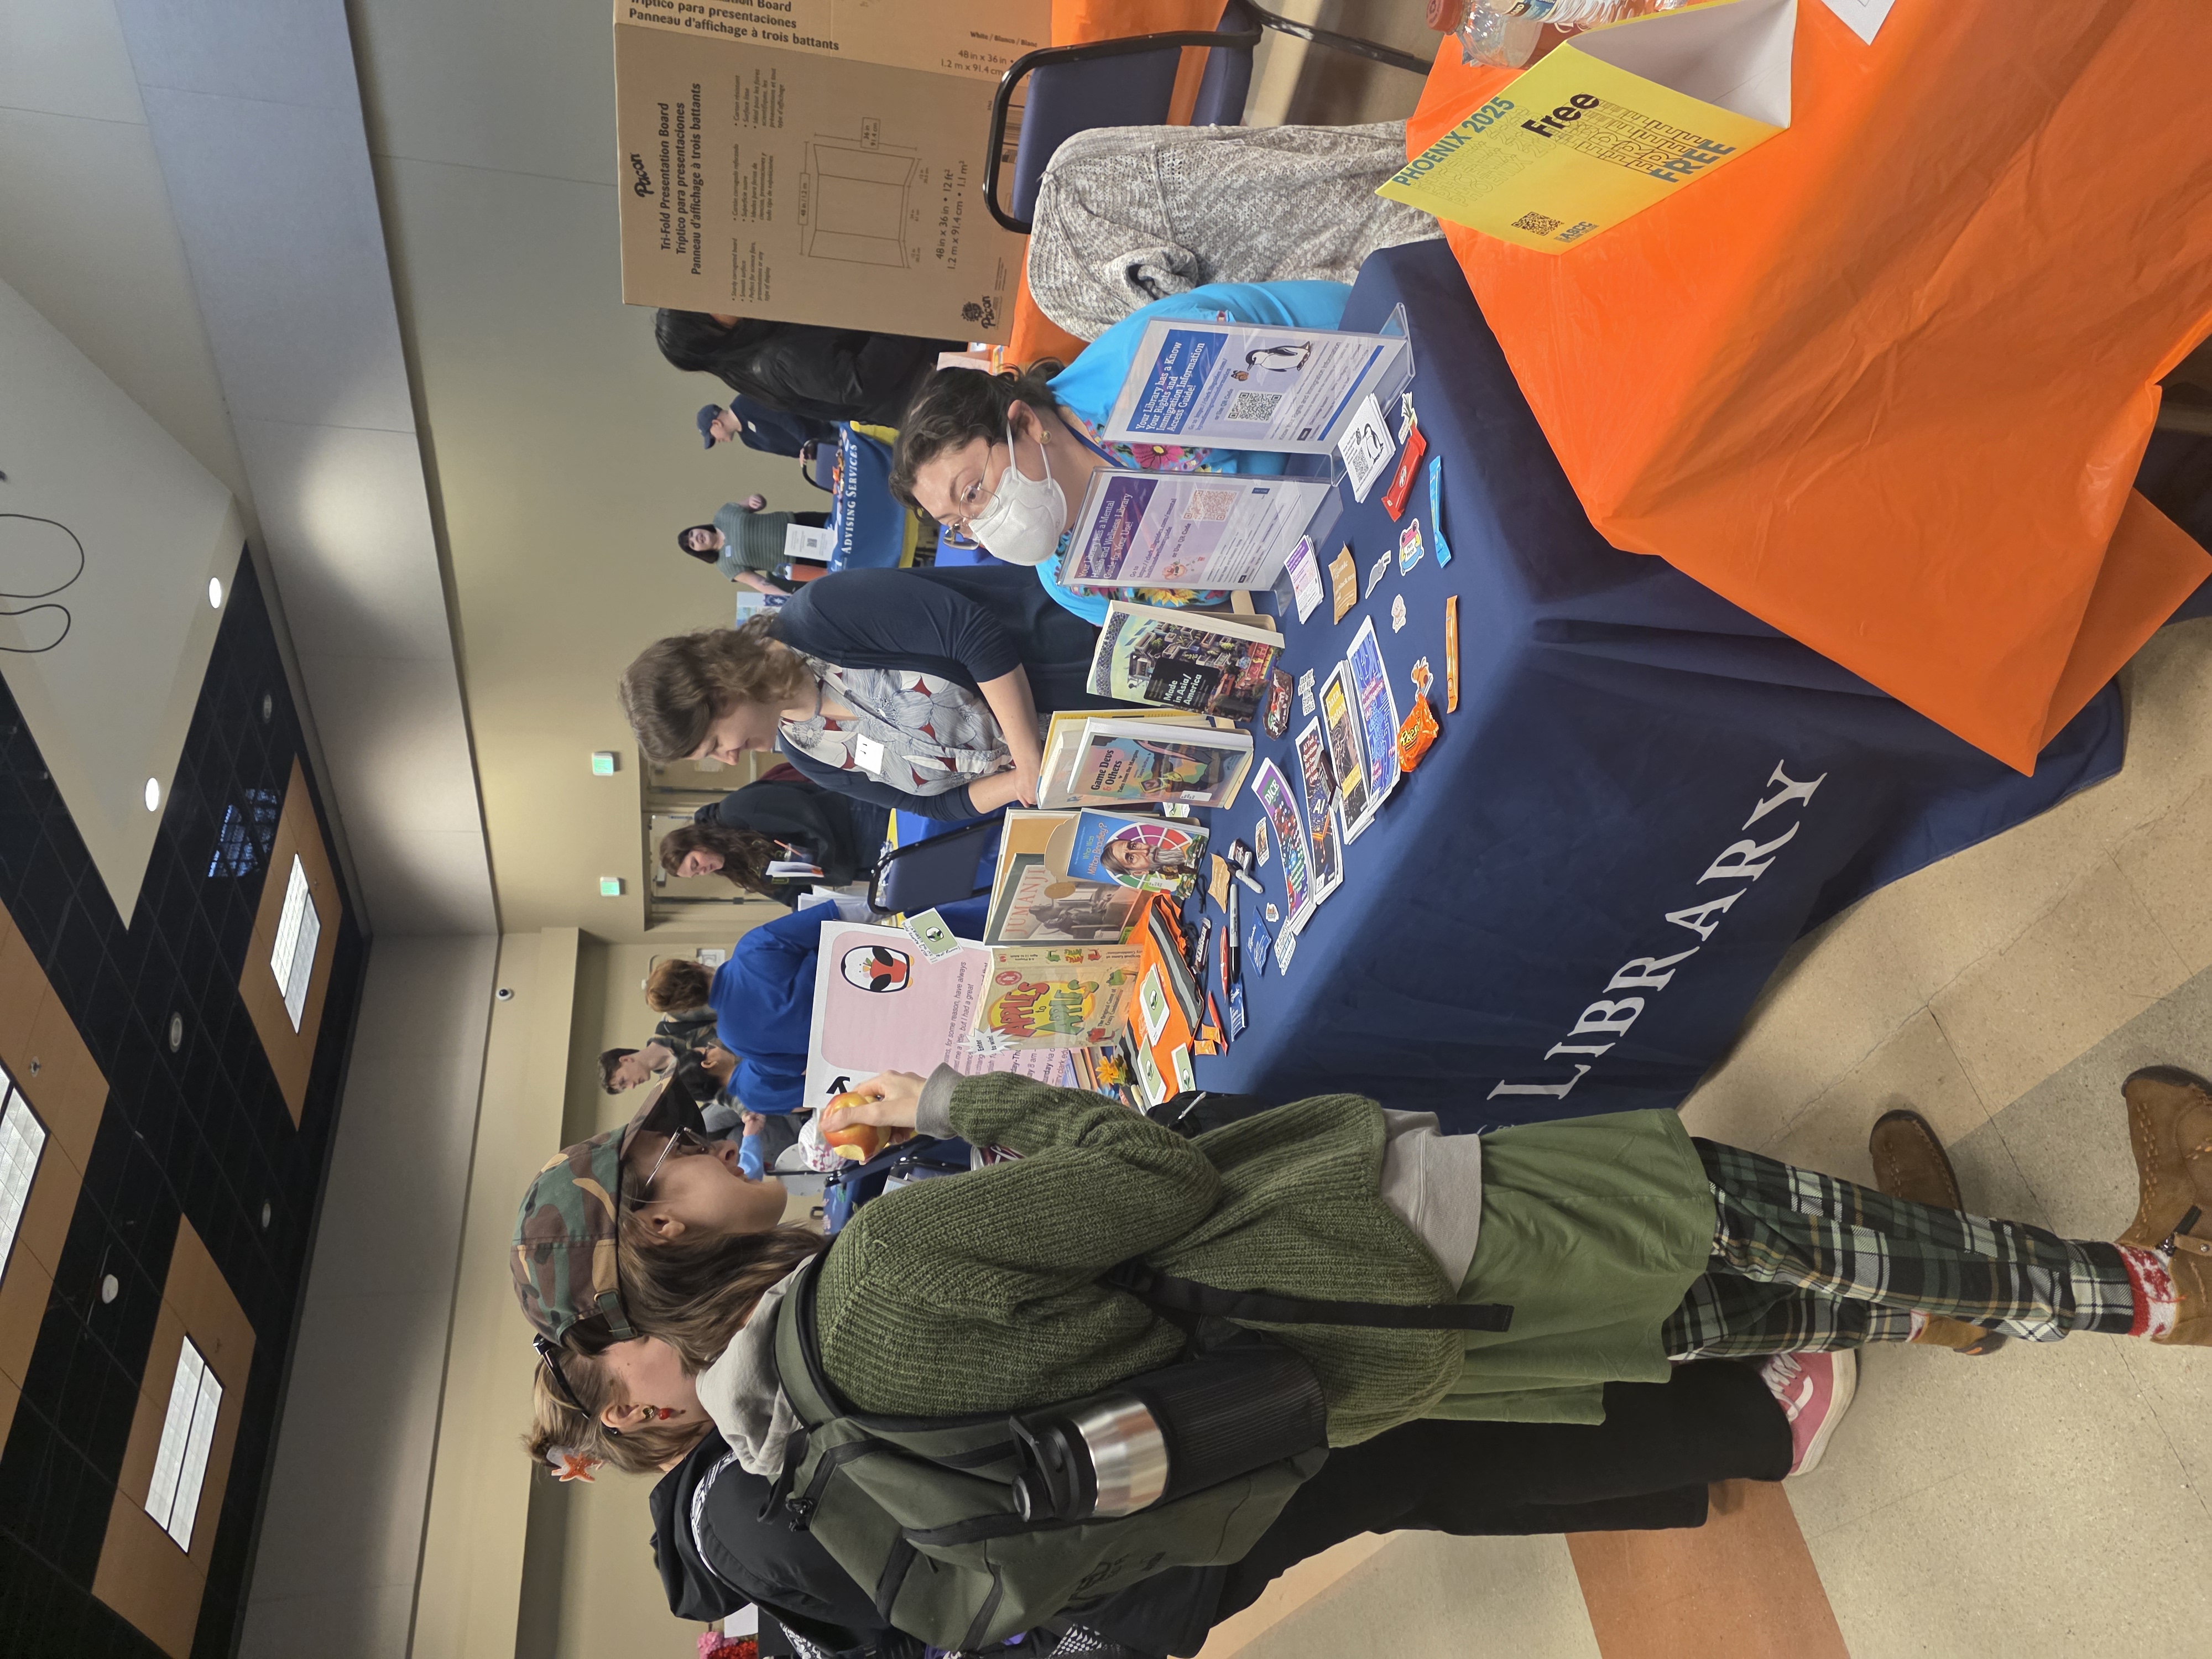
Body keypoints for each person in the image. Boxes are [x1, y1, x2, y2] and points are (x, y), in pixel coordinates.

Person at [888, 278, 1352, 625]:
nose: (979, 526)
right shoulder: (1070, 579)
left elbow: (1305, 389)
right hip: (1314, 552)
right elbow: (1228, 631)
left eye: (972, 493)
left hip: (1350, 397)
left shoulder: (1153, 368)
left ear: (1025, 424)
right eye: (958, 525)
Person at [619, 567, 1138, 818]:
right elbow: (938, 806)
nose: (730, 759)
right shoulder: (806, 752)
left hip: (1102, 668)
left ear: (719, 689)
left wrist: (1028, 760)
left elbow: (974, 637)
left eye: (715, 744)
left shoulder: (820, 616)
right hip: (1096, 762)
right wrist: (1028, 784)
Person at [1022, 122, 1441, 341]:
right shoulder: (1072, 171)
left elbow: (1185, 328)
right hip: (1392, 181)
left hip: (1371, 271)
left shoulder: (1064, 282)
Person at [654, 310, 958, 426]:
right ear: (706, 333)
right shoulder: (773, 359)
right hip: (936, 381)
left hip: (929, 371)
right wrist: (899, 309)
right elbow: (861, 381)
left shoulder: (758, 345)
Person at [686, 765, 891, 891]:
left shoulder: (733, 811)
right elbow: (785, 889)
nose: (702, 871)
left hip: (854, 826)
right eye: (696, 874)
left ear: (697, 842)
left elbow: (801, 811)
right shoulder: (737, 866)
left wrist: (825, 860)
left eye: (695, 863)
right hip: (851, 863)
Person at [679, 497, 830, 592]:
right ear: (699, 552)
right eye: (692, 544)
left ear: (697, 528)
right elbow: (759, 583)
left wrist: (756, 501)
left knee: (842, 527)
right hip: (800, 560)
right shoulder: (725, 565)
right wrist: (786, 598)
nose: (695, 538)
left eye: (692, 533)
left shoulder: (723, 515)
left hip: (798, 523)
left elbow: (755, 502)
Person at [698, 398, 838, 458]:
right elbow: (788, 451)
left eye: (713, 437)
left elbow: (784, 417)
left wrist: (807, 442)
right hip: (825, 449)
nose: (717, 441)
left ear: (716, 423)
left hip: (826, 422)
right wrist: (809, 454)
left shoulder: (744, 404)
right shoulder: (748, 441)